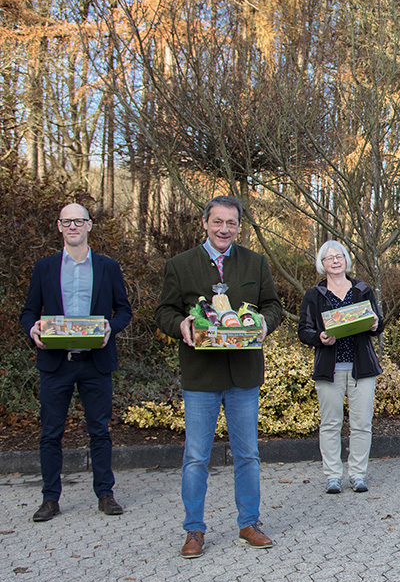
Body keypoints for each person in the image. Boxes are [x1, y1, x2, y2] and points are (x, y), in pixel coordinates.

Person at [155, 195, 283, 558]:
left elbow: (274, 306)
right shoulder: (180, 266)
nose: (224, 229)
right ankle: (194, 530)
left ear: (239, 226)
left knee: (248, 454)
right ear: (204, 223)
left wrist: (263, 323)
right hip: (200, 376)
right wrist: (179, 323)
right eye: (218, 222)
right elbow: (163, 311)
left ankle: (249, 523)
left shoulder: (255, 263)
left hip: (243, 375)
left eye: (231, 223)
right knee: (196, 457)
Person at [20, 203, 132, 522]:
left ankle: (105, 494)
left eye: (78, 221)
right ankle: (50, 499)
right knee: (50, 432)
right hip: (56, 363)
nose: (73, 226)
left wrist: (113, 327)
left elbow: (124, 310)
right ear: (59, 227)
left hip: (95, 362)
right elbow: (29, 311)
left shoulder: (108, 267)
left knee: (99, 430)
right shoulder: (44, 268)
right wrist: (33, 328)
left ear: (89, 225)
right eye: (66, 222)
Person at [297, 240, 384, 495]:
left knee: (362, 423)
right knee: (330, 424)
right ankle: (332, 475)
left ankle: (358, 474)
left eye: (339, 256)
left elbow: (378, 324)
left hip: (362, 368)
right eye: (329, 258)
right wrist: (319, 337)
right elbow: (304, 330)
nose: (335, 261)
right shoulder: (314, 295)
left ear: (347, 259)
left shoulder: (362, 289)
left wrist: (374, 325)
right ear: (322, 265)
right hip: (329, 367)